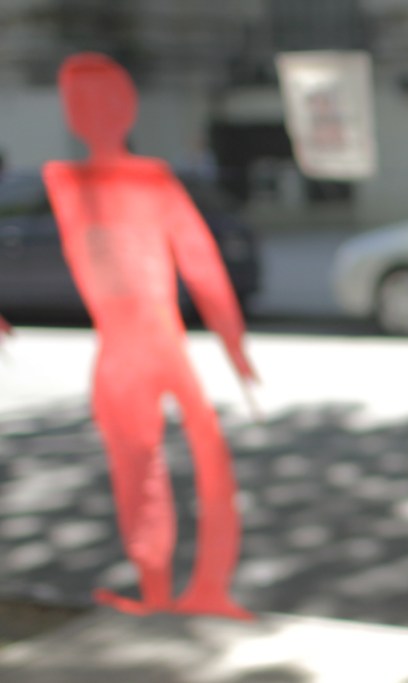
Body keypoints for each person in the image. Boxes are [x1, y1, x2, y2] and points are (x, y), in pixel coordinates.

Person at [44, 52, 254, 619]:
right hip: (134, 349)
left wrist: (235, 346)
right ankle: (166, 590)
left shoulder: (108, 180)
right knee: (149, 473)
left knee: (178, 468)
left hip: (148, 345)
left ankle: (193, 588)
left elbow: (200, 261)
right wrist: (234, 347)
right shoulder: (68, 181)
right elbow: (200, 262)